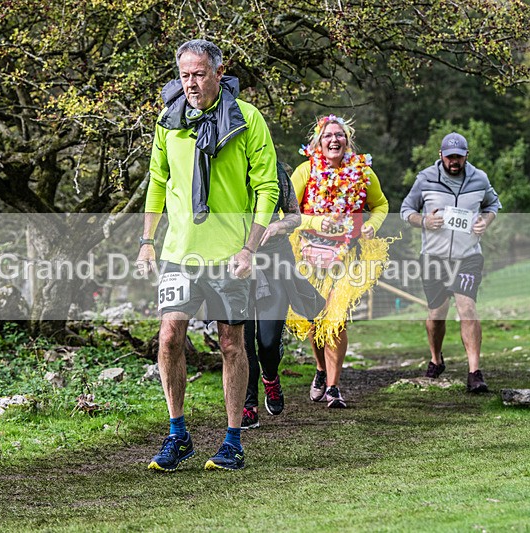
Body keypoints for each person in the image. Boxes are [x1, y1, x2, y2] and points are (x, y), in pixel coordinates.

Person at [135, 39, 279, 471]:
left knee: (232, 343)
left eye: (199, 74)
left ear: (218, 72)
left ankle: (233, 439)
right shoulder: (168, 120)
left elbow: (267, 187)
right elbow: (157, 181)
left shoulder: (247, 118)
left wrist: (250, 246)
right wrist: (147, 240)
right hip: (180, 252)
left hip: (228, 254)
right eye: (184, 75)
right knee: (168, 338)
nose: (191, 83)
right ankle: (178, 434)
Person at [288, 115, 390, 408]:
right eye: (328, 136)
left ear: (347, 141)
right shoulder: (305, 171)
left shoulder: (363, 174)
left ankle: (333, 387)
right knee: (314, 319)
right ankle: (320, 369)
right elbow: (287, 213)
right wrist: (317, 222)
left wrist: (373, 225)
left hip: (349, 257)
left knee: (337, 319)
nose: (334, 140)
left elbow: (381, 205)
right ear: (318, 143)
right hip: (309, 255)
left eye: (340, 135)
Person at [400, 132, 501, 393]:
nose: (454, 161)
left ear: (467, 155)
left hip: (468, 257)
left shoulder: (479, 177)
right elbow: (406, 210)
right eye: (450, 157)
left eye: (459, 156)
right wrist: (424, 221)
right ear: (441, 155)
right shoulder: (425, 178)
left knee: (467, 307)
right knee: (437, 314)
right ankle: (436, 358)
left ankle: (474, 372)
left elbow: (493, 205)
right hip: (433, 257)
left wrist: (484, 222)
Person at [241, 162, 326, 430]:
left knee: (267, 342)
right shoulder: (221, 167)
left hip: (274, 258)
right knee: (241, 344)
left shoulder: (275, 170)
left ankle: (270, 376)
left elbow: (295, 216)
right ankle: (248, 404)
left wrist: (278, 227)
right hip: (236, 261)